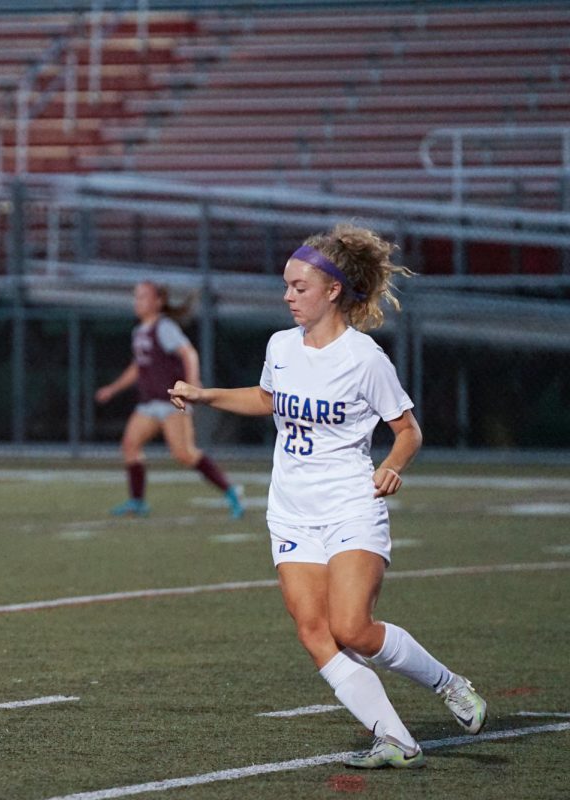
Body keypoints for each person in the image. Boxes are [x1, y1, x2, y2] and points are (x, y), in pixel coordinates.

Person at [170, 224, 487, 769]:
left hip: (349, 505)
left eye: (299, 287)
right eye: (287, 287)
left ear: (333, 291)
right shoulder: (281, 346)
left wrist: (391, 466)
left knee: (353, 629)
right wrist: (206, 396)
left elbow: (407, 430)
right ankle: (394, 739)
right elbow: (268, 398)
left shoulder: (364, 359)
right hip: (290, 511)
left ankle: (450, 684)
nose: (288, 296)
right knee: (314, 631)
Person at [95, 281, 244, 519]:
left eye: (143, 297)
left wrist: (192, 385)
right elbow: (138, 367)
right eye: (136, 297)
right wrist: (113, 389)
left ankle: (231, 491)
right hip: (149, 404)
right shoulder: (140, 331)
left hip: (170, 402)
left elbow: (188, 352)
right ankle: (137, 501)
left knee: (184, 454)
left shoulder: (164, 327)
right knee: (130, 445)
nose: (138, 302)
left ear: (157, 302)